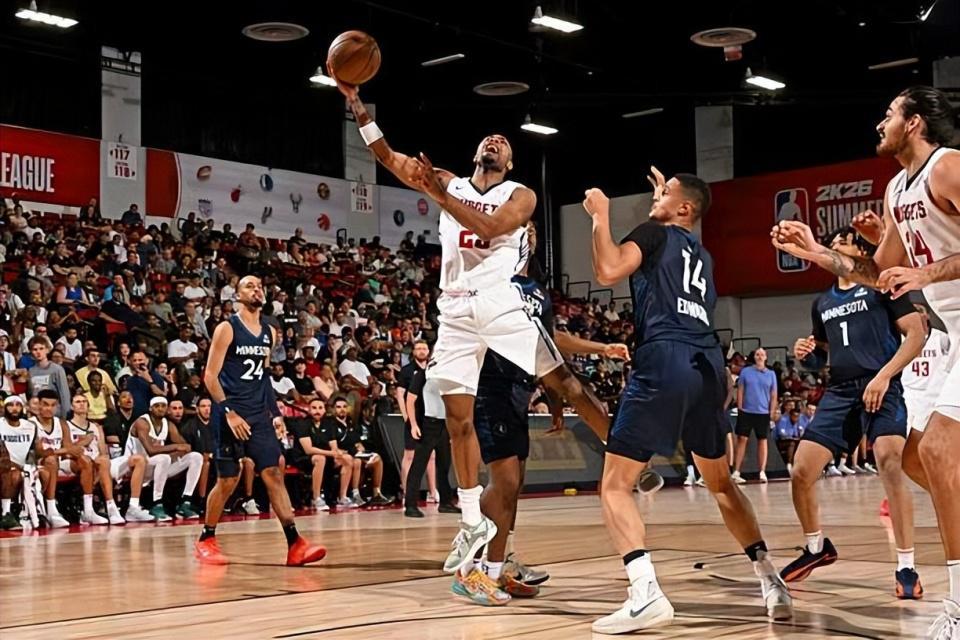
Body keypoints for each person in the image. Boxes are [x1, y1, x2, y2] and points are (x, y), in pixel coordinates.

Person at [336, 75, 544, 579]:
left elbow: (490, 227)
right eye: (488, 138)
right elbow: (388, 157)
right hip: (455, 310)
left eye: (504, 142)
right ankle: (472, 520)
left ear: (509, 162)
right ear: (475, 153)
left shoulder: (519, 194)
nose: (494, 140)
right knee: (457, 421)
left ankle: (628, 457)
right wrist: (358, 106)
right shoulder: (448, 180)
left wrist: (440, 194)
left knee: (557, 383)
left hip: (499, 305)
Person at [772, 86, 960, 635]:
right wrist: (816, 252)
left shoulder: (948, 167)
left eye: (890, 113)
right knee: (918, 459)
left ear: (915, 122)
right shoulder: (897, 188)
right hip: (950, 331)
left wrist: (925, 273)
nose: (881, 122)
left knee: (940, 450)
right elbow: (878, 275)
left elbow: (912, 274)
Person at [583, 168, 791, 633]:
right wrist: (662, 196)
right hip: (709, 364)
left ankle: (645, 594)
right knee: (721, 483)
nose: (655, 196)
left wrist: (600, 217)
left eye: (665, 192)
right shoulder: (703, 255)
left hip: (666, 357)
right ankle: (771, 581)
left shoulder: (653, 233)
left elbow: (608, 270)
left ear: (684, 208)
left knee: (615, 485)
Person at [781, 227, 925, 598]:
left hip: (882, 386)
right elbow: (821, 357)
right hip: (841, 391)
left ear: (861, 252)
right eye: (830, 246)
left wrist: (883, 377)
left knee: (889, 461)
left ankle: (906, 566)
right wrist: (807, 355)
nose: (833, 250)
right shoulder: (822, 302)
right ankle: (816, 548)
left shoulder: (881, 285)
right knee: (801, 470)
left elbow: (916, 334)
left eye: (841, 244)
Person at [194, 275, 326, 566]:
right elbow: (210, 377)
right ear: (237, 295)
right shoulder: (227, 328)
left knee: (273, 473)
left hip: (258, 414)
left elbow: (264, 377)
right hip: (229, 413)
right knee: (228, 480)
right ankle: (206, 538)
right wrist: (228, 411)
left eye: (259, 286)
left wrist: (275, 413)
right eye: (249, 286)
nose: (257, 289)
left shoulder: (270, 332)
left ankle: (295, 543)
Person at [731, 348, 778, 484]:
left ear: (766, 357)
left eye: (762, 354)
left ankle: (762, 471)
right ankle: (736, 471)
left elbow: (773, 394)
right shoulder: (746, 372)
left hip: (763, 412)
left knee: (762, 440)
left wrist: (772, 411)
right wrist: (740, 408)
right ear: (754, 357)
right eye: (757, 354)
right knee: (742, 439)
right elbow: (740, 390)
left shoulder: (771, 374)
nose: (760, 356)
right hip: (746, 411)